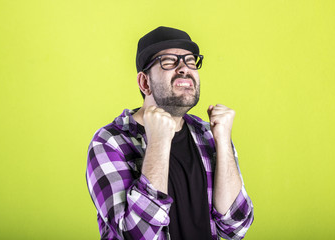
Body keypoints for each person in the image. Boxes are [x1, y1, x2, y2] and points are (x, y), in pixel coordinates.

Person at [86, 26, 254, 240]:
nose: (184, 68)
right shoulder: (110, 142)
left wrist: (223, 142)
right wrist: (158, 142)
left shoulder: (208, 134)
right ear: (144, 82)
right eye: (168, 61)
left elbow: (235, 227)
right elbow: (136, 236)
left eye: (190, 61)